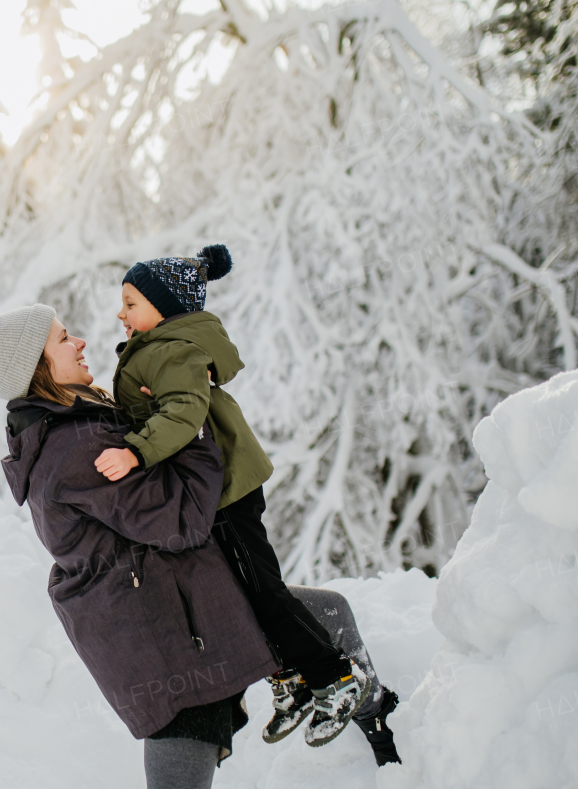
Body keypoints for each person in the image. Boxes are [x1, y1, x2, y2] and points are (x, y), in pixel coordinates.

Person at [0, 305, 399, 788]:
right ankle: (383, 734)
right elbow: (180, 518)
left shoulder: (75, 425)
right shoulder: (74, 448)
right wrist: (195, 425)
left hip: (187, 609)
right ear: (37, 368)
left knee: (328, 613)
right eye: (62, 339)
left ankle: (381, 726)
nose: (79, 342)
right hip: (168, 640)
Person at [97, 244, 395, 749]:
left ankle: (335, 675)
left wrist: (135, 453)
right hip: (213, 492)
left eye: (130, 303)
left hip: (226, 492)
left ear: (163, 307)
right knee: (240, 593)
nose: (120, 313)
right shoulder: (163, 348)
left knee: (261, 590)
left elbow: (184, 412)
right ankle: (293, 680)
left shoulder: (171, 351)